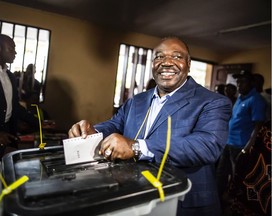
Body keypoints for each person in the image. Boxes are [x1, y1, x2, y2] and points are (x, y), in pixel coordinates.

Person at [69, 37, 232, 216]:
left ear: (188, 63)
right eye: (159, 57)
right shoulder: (137, 100)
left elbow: (206, 146)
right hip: (136, 196)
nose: (167, 62)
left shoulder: (213, 102)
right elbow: (116, 124)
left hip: (184, 203)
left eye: (177, 56)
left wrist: (137, 147)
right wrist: (92, 132)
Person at [0, 34, 37, 215]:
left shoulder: (10, 76)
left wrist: (37, 121)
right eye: (11, 48)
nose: (15, 53)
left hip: (5, 135)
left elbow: (14, 107)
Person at [216, 71, 266, 214]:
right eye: (238, 82)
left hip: (240, 145)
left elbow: (258, 126)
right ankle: (217, 201)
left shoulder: (256, 100)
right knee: (221, 173)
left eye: (243, 82)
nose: (239, 85)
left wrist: (247, 148)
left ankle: (235, 205)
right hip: (228, 143)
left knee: (237, 176)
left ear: (251, 83)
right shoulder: (240, 98)